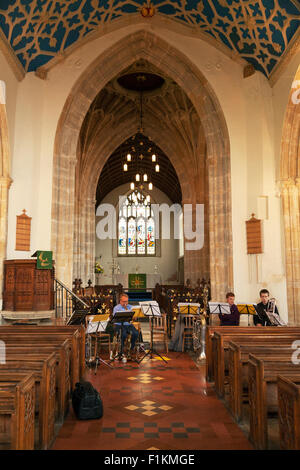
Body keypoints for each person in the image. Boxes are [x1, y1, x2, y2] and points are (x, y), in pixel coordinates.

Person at [112, 293, 138, 362]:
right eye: (124, 301)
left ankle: (131, 349)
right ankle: (122, 351)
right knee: (123, 335)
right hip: (119, 324)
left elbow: (134, 317)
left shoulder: (131, 307)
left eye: (126, 301)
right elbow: (115, 318)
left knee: (135, 333)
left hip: (128, 325)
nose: (125, 303)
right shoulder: (116, 308)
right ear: (120, 301)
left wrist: (134, 317)